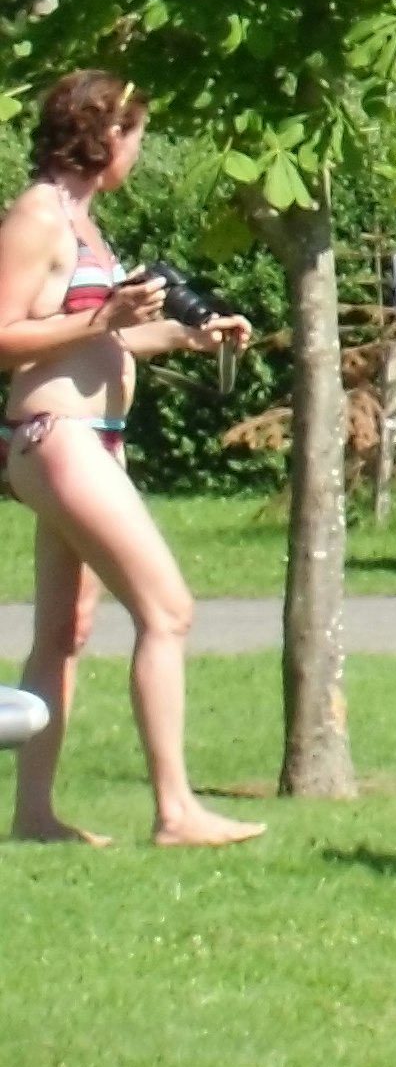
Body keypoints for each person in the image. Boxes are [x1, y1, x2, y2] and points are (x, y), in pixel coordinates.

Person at [6, 73, 262, 847]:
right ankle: (176, 811)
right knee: (167, 609)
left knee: (64, 633)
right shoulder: (37, 216)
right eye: (136, 135)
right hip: (58, 437)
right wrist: (102, 316)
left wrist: (194, 335)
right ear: (101, 135)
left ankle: (34, 817)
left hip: (90, 439)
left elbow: (105, 335)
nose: (139, 151)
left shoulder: (83, 223)